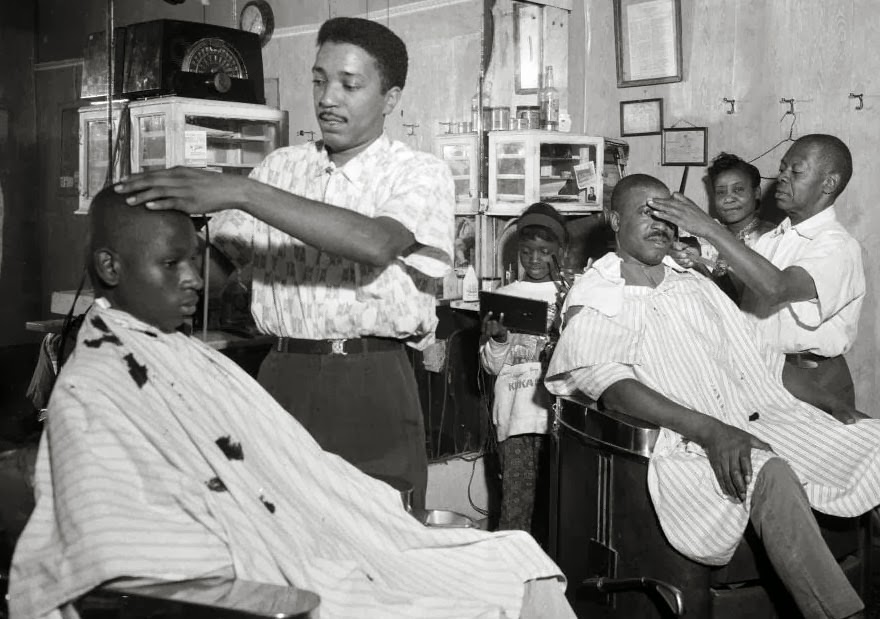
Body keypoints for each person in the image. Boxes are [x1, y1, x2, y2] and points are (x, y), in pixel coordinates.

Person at [8, 187, 573, 619]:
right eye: (172, 264)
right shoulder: (96, 384)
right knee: (497, 585)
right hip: (253, 577)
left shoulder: (178, 354)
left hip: (302, 533)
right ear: (110, 268)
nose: (195, 281)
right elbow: (126, 553)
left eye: (194, 261)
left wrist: (352, 515)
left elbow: (289, 468)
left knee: (511, 559)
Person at [113, 17, 456, 512]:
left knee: (377, 534)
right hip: (281, 375)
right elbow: (215, 266)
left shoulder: (418, 173)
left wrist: (240, 190)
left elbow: (375, 242)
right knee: (277, 525)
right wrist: (143, 254)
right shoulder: (281, 168)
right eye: (319, 80)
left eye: (349, 84)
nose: (327, 98)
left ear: (391, 97)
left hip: (370, 378)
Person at [545, 174, 880, 619]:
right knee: (769, 471)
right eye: (645, 212)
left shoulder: (694, 282)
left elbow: (761, 359)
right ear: (614, 220)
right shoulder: (602, 292)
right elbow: (614, 388)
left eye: (666, 213)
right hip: (688, 440)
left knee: (873, 441)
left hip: (759, 415)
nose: (658, 223)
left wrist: (832, 404)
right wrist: (712, 431)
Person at [653, 135, 865, 410]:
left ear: (829, 183)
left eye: (796, 171)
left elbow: (778, 288)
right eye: (782, 168)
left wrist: (708, 227)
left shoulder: (838, 247)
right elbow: (741, 303)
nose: (782, 177)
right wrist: (698, 265)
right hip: (765, 371)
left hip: (813, 378)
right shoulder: (773, 239)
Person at [480, 203, 567, 539]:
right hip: (515, 419)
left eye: (544, 252)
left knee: (560, 511)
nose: (534, 259)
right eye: (527, 251)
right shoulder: (504, 297)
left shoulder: (572, 296)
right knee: (515, 511)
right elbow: (490, 365)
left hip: (557, 422)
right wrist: (499, 339)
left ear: (561, 252)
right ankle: (509, 581)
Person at [680, 153, 776, 300]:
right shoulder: (704, 238)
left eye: (738, 190)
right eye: (721, 192)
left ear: (756, 193)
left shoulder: (774, 237)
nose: (729, 198)